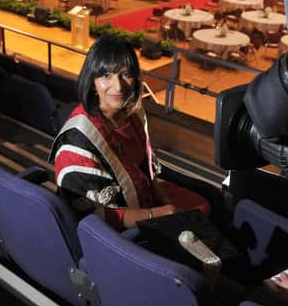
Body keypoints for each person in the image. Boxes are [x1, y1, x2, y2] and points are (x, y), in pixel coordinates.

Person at [50, 34, 210, 229]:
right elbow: (97, 219)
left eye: (126, 74)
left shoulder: (131, 113)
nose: (118, 86)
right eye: (106, 75)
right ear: (92, 80)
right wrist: (158, 214)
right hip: (117, 234)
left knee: (206, 202)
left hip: (142, 200)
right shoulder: (75, 143)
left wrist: (164, 200)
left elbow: (144, 168)